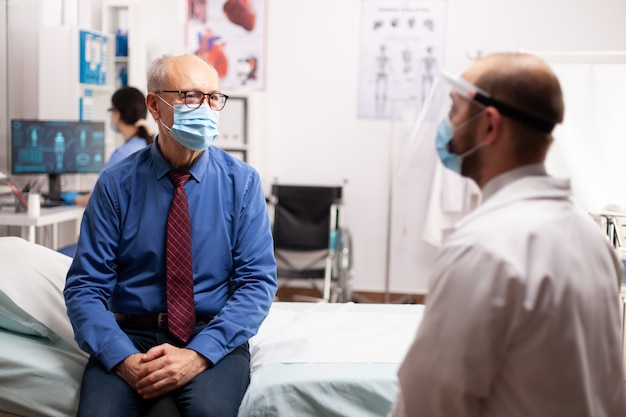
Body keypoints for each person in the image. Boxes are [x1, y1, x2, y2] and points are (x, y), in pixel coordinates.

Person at [388, 52, 626, 417]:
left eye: (454, 111)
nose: (447, 125)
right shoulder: (592, 241)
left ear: (490, 125)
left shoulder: (482, 248)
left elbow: (428, 406)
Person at [64, 53, 277, 417]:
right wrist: (123, 358)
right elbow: (85, 287)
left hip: (212, 334)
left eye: (213, 98)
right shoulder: (116, 186)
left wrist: (198, 354)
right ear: (154, 105)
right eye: (191, 96)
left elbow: (257, 283)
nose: (206, 109)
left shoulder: (241, 184)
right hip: (132, 334)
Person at [63, 86, 154, 207]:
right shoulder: (145, 144)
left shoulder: (123, 154)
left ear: (117, 114)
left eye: (111, 111)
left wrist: (75, 199)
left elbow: (97, 198)